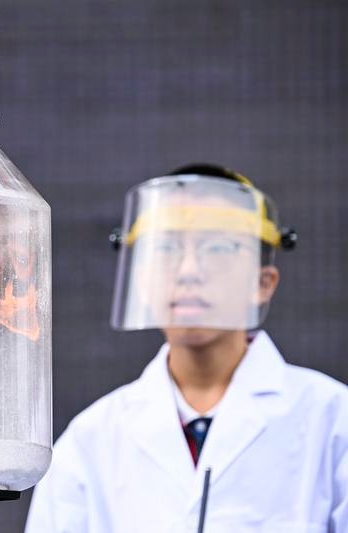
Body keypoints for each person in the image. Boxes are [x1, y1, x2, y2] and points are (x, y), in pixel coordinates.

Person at [26, 164, 348, 532]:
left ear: (263, 282)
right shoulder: (89, 443)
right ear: (142, 278)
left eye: (218, 247)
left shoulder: (334, 422)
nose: (189, 270)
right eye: (166, 248)